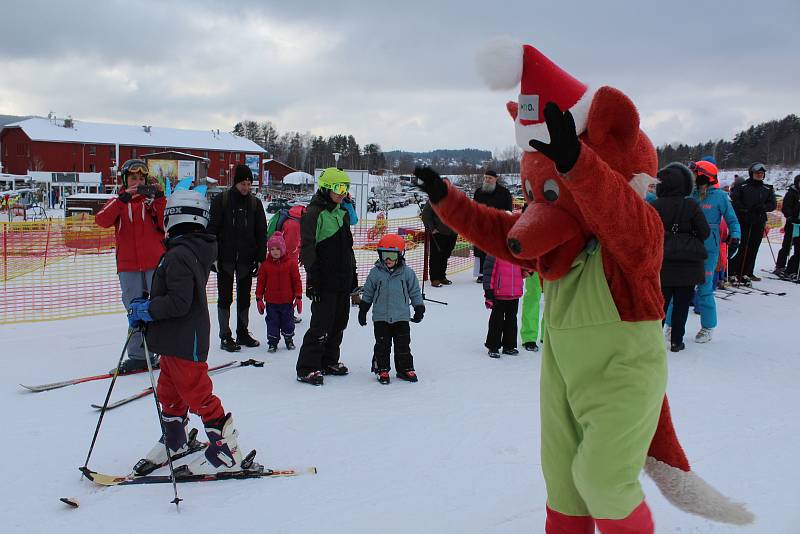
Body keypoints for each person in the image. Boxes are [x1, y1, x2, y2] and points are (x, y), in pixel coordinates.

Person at [129, 188, 248, 475]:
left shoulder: (181, 253)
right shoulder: (184, 249)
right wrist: (149, 303)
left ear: (173, 216)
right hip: (173, 338)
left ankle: (226, 449)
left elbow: (179, 302)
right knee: (168, 391)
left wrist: (149, 309)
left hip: (185, 339)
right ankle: (175, 440)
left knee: (196, 393)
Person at [95, 158, 165, 374]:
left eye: (141, 178)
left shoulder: (151, 201)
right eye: (133, 178)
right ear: (125, 180)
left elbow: (165, 222)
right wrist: (122, 200)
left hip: (154, 263)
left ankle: (163, 351)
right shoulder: (118, 202)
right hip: (128, 266)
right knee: (135, 310)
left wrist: (160, 197)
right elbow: (101, 220)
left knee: (159, 307)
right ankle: (138, 356)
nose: (137, 182)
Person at [295, 168, 358, 386]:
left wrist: (354, 274)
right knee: (321, 324)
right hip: (324, 279)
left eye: (346, 188)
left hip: (343, 277)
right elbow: (308, 248)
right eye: (340, 188)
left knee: (339, 321)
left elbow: (348, 247)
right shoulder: (315, 213)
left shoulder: (341, 212)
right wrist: (313, 278)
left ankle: (329, 360)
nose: (344, 193)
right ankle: (307, 366)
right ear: (326, 188)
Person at [665, 160, 740, 344]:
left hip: (708, 249)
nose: (692, 176)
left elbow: (732, 219)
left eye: (695, 173)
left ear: (705, 176)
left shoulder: (720, 197)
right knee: (678, 286)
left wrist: (735, 236)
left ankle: (707, 327)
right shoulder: (689, 195)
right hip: (687, 248)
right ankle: (672, 325)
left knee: (705, 288)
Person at [207, 164, 267, 352]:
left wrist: (260, 257)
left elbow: (261, 232)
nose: (246, 187)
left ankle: (242, 332)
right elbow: (212, 230)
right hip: (224, 259)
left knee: (244, 298)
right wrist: (212, 257)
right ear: (235, 182)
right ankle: (225, 336)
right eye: (243, 183)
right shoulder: (221, 200)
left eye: (249, 184)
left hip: (246, 259)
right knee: (225, 298)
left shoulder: (255, 204)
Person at [651, 163, 710, 352]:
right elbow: (705, 232)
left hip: (662, 262)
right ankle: (677, 340)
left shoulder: (654, 205)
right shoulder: (691, 204)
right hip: (688, 264)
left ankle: (652, 341)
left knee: (660, 304)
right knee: (682, 305)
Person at [358, 234, 425, 384]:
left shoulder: (407, 273)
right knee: (383, 345)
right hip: (381, 317)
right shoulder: (375, 273)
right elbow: (368, 292)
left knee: (403, 345)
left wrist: (419, 307)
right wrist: (363, 309)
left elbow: (414, 291)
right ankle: (382, 369)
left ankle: (405, 368)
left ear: (400, 255)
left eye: (391, 255)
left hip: (401, 316)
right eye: (384, 255)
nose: (387, 259)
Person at [729, 162, 777, 283]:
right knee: (742, 246)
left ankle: (747, 272)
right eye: (757, 173)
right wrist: (745, 210)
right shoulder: (743, 186)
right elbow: (735, 201)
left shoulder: (767, 188)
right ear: (752, 174)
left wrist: (763, 207)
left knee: (753, 247)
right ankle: (733, 271)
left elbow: (772, 204)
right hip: (744, 221)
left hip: (758, 221)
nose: (759, 175)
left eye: (761, 173)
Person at [255, 231, 302, 353]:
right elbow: (261, 282)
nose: (275, 251)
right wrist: (259, 297)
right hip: (271, 302)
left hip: (287, 301)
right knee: (272, 323)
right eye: (272, 249)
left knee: (288, 322)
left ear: (283, 248)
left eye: (278, 248)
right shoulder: (265, 266)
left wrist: (298, 297)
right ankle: (272, 342)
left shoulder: (291, 264)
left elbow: (297, 280)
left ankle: (289, 339)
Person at [472, 170, 513, 282]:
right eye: (485, 178)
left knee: (496, 250)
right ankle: (482, 274)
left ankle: (497, 272)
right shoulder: (479, 192)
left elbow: (509, 210)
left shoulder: (504, 192)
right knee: (481, 251)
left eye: (489, 178)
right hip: (482, 227)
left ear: (496, 179)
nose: (487, 180)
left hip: (497, 227)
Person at [482, 254, 524, 357]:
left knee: (512, 319)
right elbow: (488, 273)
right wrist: (489, 292)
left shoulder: (517, 252)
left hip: (514, 293)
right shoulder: (494, 252)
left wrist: (527, 271)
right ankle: (493, 346)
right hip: (499, 293)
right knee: (497, 320)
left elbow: (523, 268)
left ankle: (509, 345)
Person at [421, 194, 458, 287]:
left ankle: (442, 276)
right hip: (438, 233)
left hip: (452, 233)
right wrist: (432, 228)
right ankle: (435, 278)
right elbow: (426, 215)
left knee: (445, 255)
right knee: (436, 256)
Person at [774, 174, 800, 277]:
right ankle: (780, 265)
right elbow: (786, 207)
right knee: (787, 245)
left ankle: (793, 267)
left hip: (799, 224)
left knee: (798, 246)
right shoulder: (791, 193)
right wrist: (790, 216)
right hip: (792, 223)